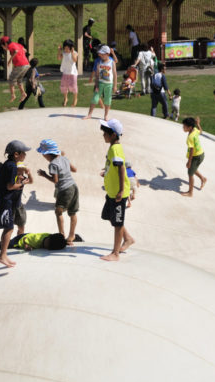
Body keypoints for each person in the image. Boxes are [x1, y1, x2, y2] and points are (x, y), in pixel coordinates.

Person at [0, 140, 32, 267]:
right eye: (23, 152)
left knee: (8, 227)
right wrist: (23, 183)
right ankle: (2, 255)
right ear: (16, 154)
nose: (25, 154)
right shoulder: (12, 166)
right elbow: (10, 186)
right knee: (9, 227)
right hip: (3, 201)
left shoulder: (7, 164)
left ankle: (3, 255)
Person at [99, 119, 135, 261]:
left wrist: (121, 190)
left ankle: (115, 253)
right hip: (112, 192)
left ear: (113, 134)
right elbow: (114, 166)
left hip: (118, 193)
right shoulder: (112, 147)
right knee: (107, 216)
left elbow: (121, 168)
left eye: (105, 133)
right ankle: (128, 239)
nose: (103, 135)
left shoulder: (115, 148)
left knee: (118, 223)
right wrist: (106, 172)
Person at [37, 139, 79, 245]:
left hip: (65, 190)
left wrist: (44, 174)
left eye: (42, 153)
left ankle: (61, 235)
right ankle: (71, 235)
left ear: (47, 154)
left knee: (58, 212)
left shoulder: (52, 165)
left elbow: (55, 181)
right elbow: (74, 170)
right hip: (74, 187)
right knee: (72, 212)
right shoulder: (64, 158)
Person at [83, 45, 116, 121]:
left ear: (107, 54)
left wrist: (115, 86)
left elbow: (115, 74)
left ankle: (106, 116)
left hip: (109, 84)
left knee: (107, 100)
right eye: (100, 54)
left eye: (102, 54)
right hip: (100, 83)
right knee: (95, 99)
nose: (100, 55)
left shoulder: (112, 62)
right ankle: (89, 114)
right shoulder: (99, 62)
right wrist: (96, 85)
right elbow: (97, 75)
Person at [0, 232, 67, 256]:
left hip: (27, 235)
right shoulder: (36, 240)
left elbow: (59, 239)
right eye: (46, 243)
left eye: (48, 246)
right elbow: (25, 239)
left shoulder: (52, 237)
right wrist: (27, 246)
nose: (45, 246)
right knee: (0, 246)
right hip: (21, 239)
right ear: (48, 238)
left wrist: (67, 242)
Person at [180, 117, 207, 197]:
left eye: (184, 127)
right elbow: (201, 132)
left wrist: (189, 161)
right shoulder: (195, 130)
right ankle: (203, 179)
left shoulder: (190, 137)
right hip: (201, 154)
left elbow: (191, 150)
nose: (183, 128)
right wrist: (198, 124)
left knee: (190, 173)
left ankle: (190, 192)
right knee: (193, 169)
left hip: (196, 156)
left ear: (190, 127)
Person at [0, 36, 30, 103]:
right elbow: (25, 50)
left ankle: (13, 95)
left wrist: (10, 60)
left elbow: (16, 51)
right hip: (26, 64)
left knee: (11, 79)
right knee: (19, 80)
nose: (3, 48)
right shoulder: (17, 44)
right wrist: (21, 55)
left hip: (20, 65)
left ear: (5, 44)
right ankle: (23, 94)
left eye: (2, 46)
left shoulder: (10, 46)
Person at [13, 161, 33, 235]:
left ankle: (19, 238)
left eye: (22, 169)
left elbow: (31, 181)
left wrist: (29, 174)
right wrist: (19, 181)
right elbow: (12, 187)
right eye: (19, 169)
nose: (21, 171)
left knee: (21, 225)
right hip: (10, 205)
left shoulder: (23, 178)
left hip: (18, 204)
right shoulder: (12, 178)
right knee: (9, 227)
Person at [58, 39, 79, 107]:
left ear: (71, 47)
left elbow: (74, 60)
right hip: (65, 72)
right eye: (65, 48)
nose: (66, 49)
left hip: (72, 73)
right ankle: (65, 98)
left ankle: (75, 99)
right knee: (64, 86)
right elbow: (58, 58)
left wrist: (72, 52)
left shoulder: (75, 53)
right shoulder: (64, 53)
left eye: (67, 48)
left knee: (74, 87)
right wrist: (59, 50)